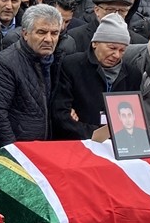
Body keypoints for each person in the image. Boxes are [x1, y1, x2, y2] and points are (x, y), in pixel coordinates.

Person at [0, 4, 64, 151]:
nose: (49, 39)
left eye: (54, 33)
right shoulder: (4, 64)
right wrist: (14, 153)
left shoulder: (55, 60)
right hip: (18, 154)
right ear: (25, 33)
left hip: (43, 150)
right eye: (42, 32)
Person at [51, 13, 141, 141]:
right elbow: (61, 112)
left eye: (122, 50)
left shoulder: (132, 74)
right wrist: (93, 134)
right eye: (112, 48)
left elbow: (132, 116)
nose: (116, 55)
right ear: (95, 43)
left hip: (118, 142)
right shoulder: (72, 65)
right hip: (78, 140)